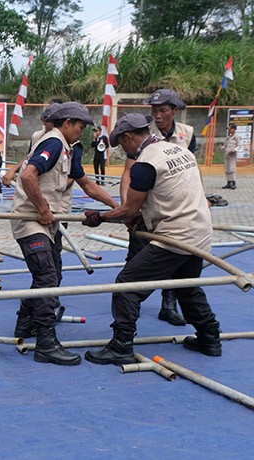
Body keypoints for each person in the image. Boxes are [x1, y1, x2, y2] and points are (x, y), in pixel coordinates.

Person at [82, 113, 222, 364]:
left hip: (175, 236)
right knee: (185, 286)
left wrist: (99, 217)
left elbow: (129, 210)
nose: (123, 150)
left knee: (126, 285)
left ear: (128, 137)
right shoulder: (178, 151)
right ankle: (210, 338)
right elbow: (174, 192)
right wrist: (144, 217)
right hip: (200, 231)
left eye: (122, 144)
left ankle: (121, 346)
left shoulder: (145, 164)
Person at [10, 102, 118, 366]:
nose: (82, 132)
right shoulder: (54, 143)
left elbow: (88, 186)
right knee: (46, 275)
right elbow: (28, 176)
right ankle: (46, 343)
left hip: (50, 222)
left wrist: (119, 208)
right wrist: (43, 208)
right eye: (80, 126)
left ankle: (25, 322)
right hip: (31, 220)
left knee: (52, 273)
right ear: (67, 123)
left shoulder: (67, 150)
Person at [121, 88, 196, 326]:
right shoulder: (144, 134)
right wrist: (127, 208)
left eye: (163, 110)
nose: (158, 116)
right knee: (138, 251)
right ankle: (130, 299)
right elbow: (128, 172)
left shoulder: (187, 133)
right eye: (154, 111)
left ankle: (168, 304)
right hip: (147, 205)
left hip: (173, 209)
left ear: (174, 111)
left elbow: (191, 168)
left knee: (174, 256)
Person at [3, 103, 61, 187]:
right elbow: (29, 157)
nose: (45, 124)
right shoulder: (37, 136)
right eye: (44, 120)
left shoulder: (67, 142)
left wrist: (58, 188)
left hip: (54, 193)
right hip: (33, 189)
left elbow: (75, 174)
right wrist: (13, 170)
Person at [222, 124, 241, 190]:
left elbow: (239, 146)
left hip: (232, 155)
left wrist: (234, 150)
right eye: (229, 129)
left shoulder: (237, 137)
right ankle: (228, 182)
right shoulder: (228, 137)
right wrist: (221, 147)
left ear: (234, 129)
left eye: (230, 129)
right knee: (227, 169)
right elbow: (225, 145)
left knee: (232, 169)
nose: (229, 130)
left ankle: (233, 183)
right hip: (227, 154)